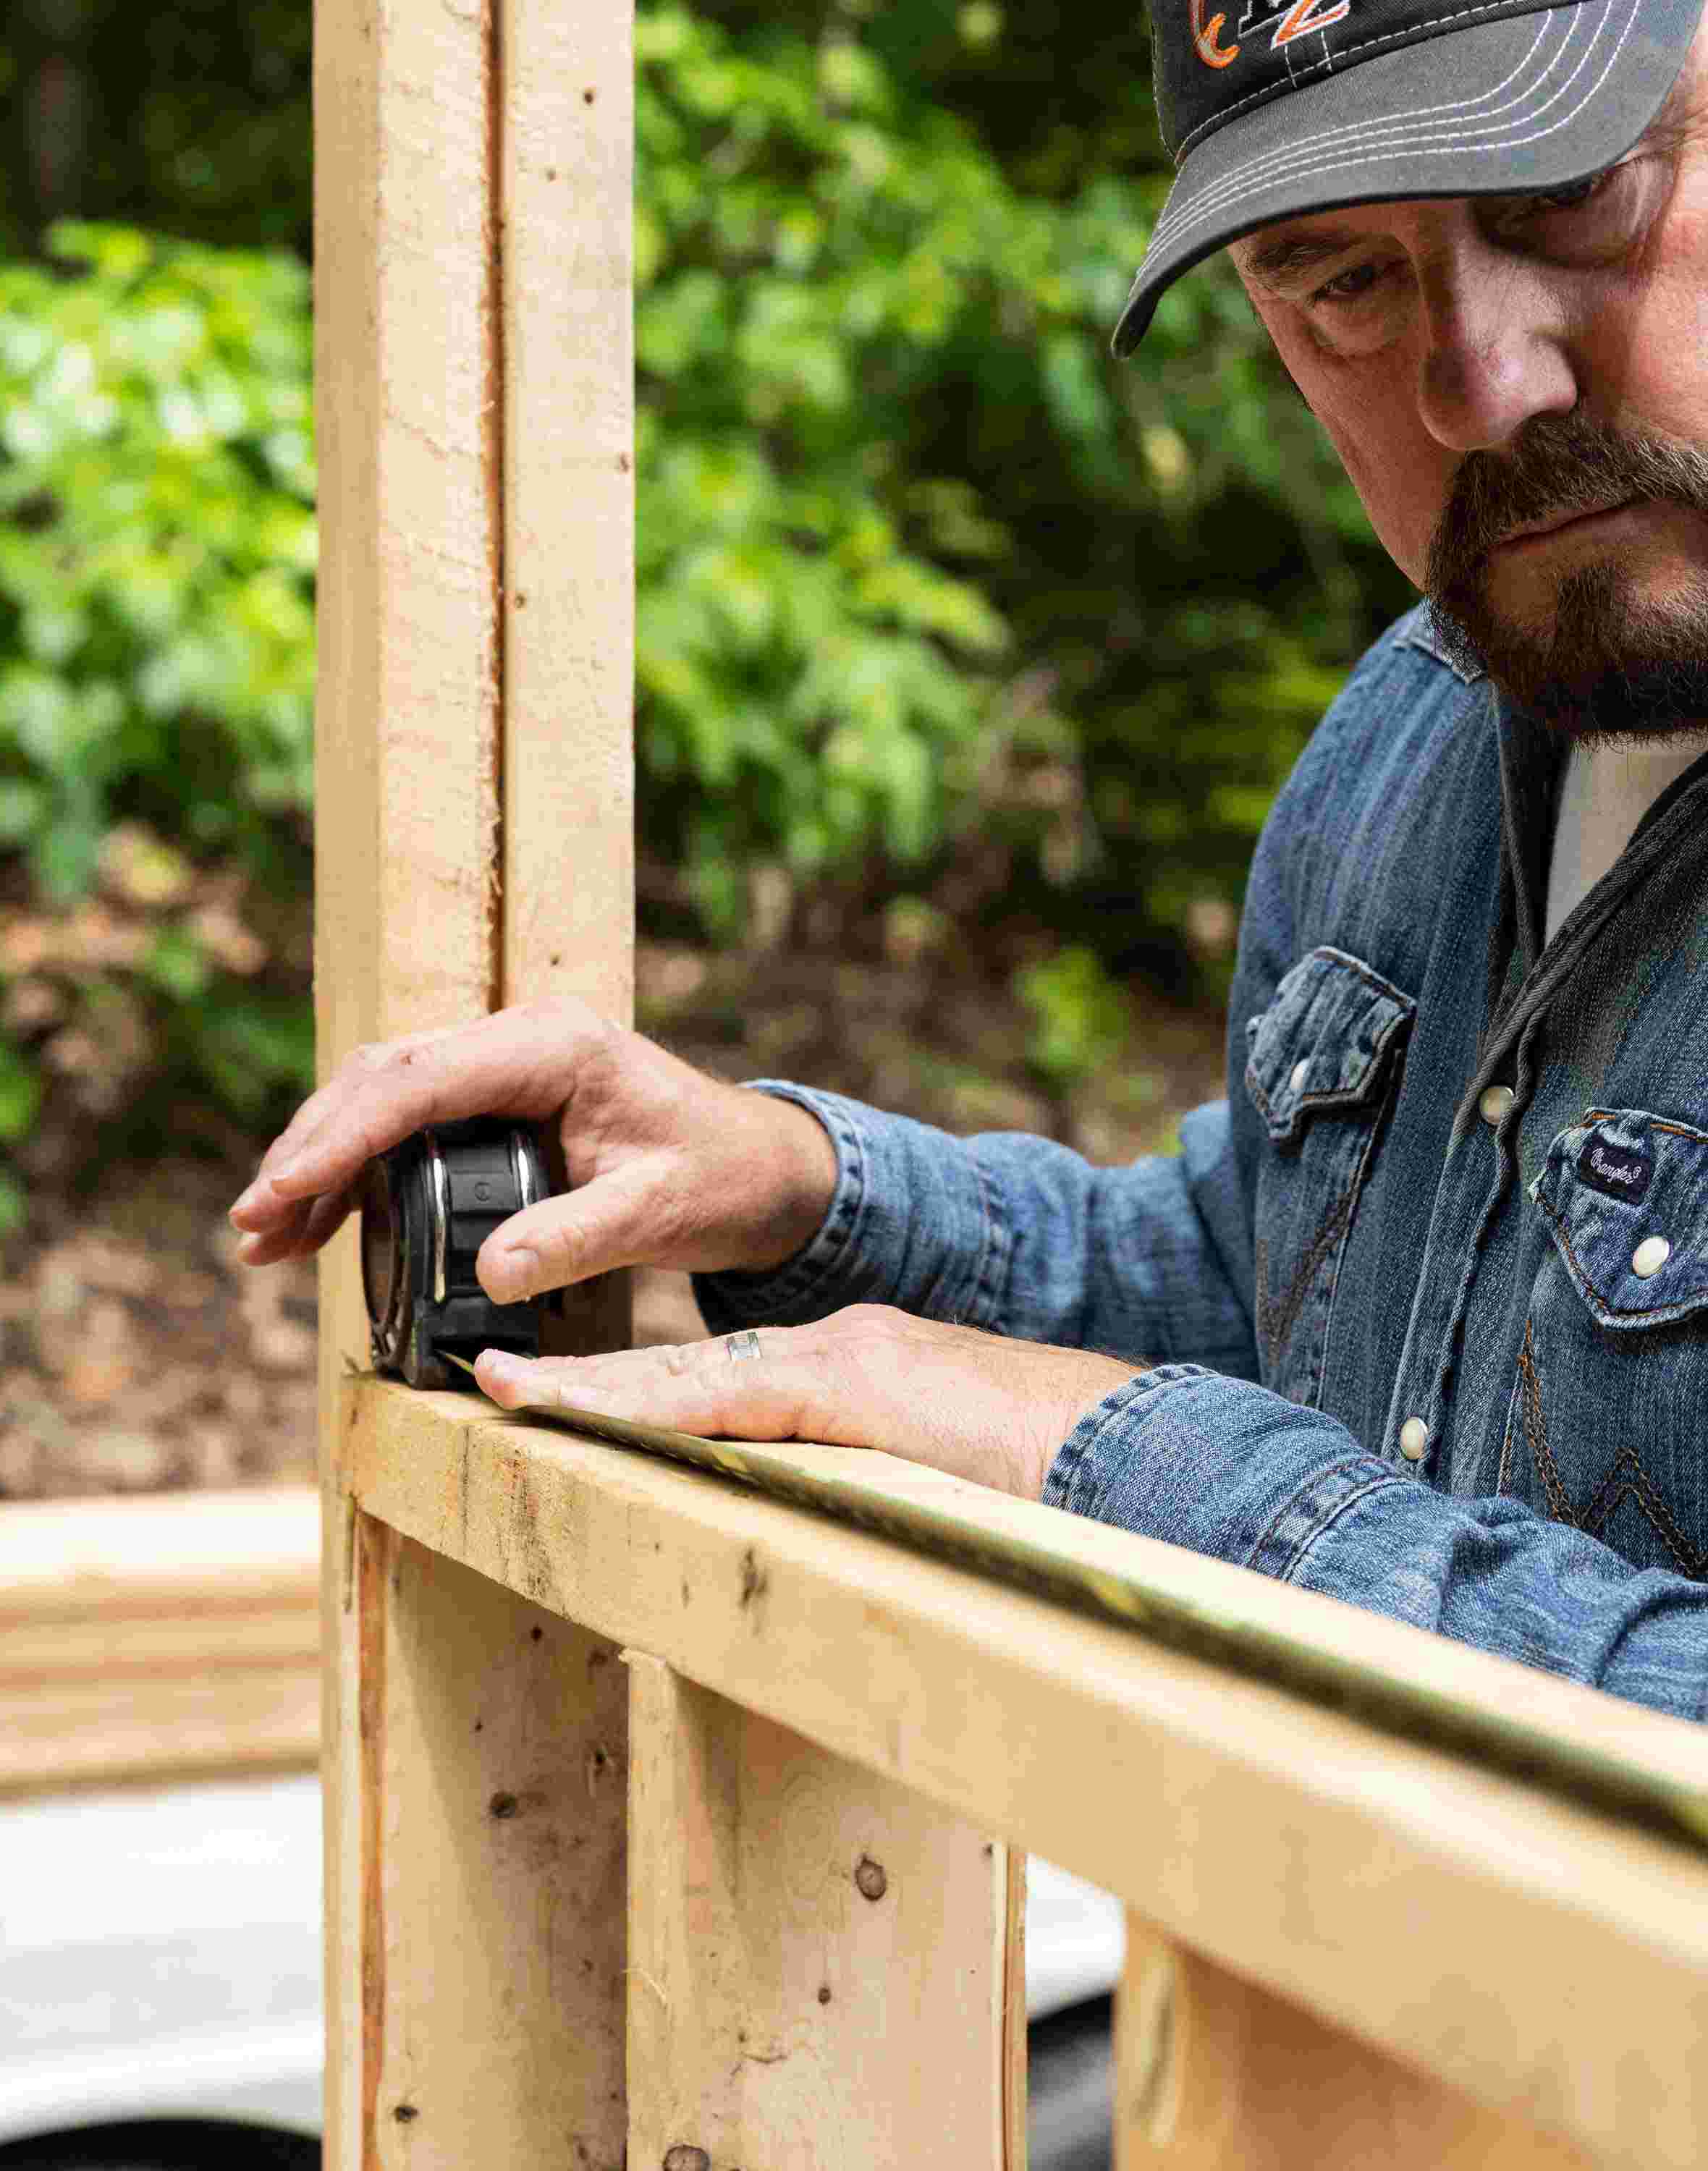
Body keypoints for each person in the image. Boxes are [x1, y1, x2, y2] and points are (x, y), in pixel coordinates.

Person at [232, 0, 1708, 1717]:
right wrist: (802, 1190)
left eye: (1571, 192)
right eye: (1347, 285)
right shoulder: (1416, 737)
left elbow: (1181, 1446)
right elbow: (1286, 1283)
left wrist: (1118, 1461)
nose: (1483, 388)